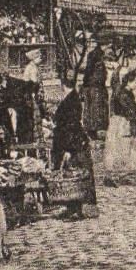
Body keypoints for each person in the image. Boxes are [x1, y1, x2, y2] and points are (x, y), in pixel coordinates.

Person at [104, 60, 136, 188]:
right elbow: (129, 113)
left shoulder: (127, 93)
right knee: (119, 151)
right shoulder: (123, 95)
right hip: (121, 124)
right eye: (135, 81)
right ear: (129, 82)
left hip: (125, 124)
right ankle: (109, 177)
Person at [50, 84, 95, 219]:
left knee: (75, 175)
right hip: (74, 142)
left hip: (73, 144)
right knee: (74, 175)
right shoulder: (71, 99)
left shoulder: (71, 102)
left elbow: (72, 126)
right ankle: (73, 207)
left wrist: (69, 149)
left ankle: (78, 208)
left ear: (64, 86)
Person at [80, 39, 109, 138]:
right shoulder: (98, 60)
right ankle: (95, 131)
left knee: (91, 108)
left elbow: (87, 73)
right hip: (96, 87)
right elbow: (97, 75)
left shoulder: (93, 56)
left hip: (92, 86)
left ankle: (91, 130)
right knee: (96, 109)